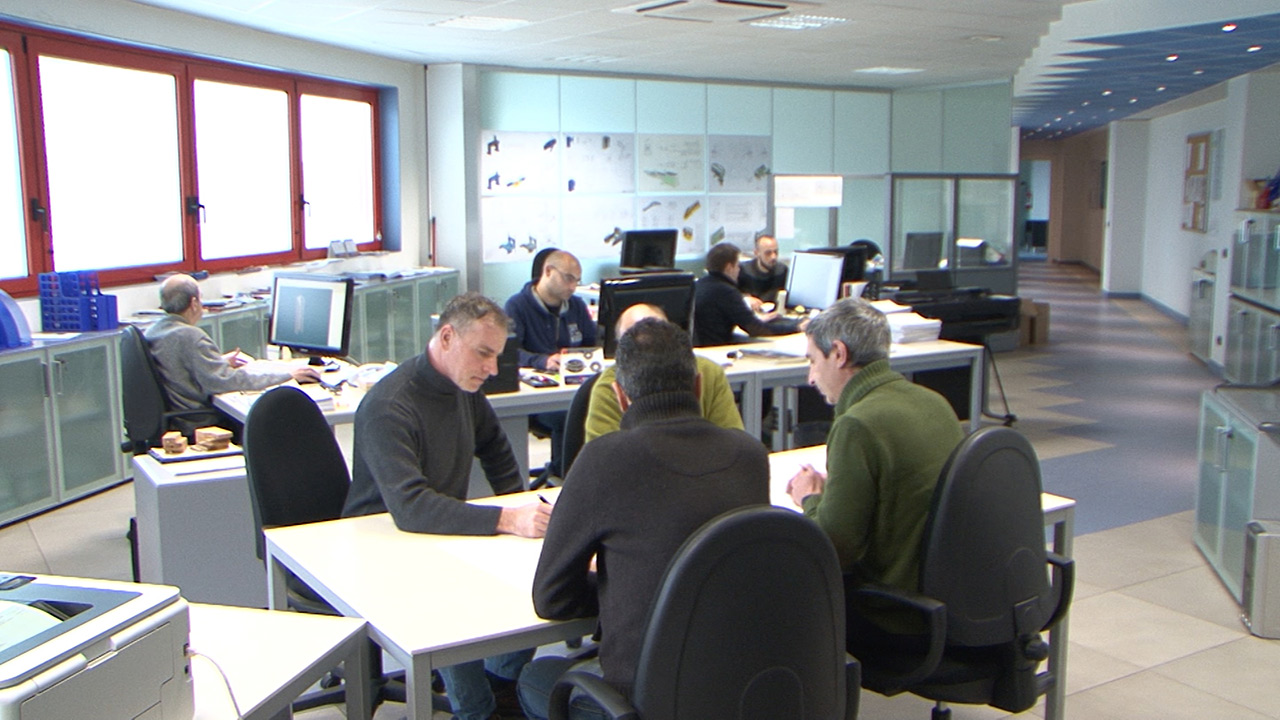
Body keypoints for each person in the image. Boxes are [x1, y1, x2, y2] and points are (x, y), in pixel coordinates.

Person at [518, 318, 769, 720]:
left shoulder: (604, 459)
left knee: (534, 677)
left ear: (620, 396)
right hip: (740, 688)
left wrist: (624, 591)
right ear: (698, 386)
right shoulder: (750, 456)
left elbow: (551, 597)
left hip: (643, 701)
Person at [342, 291, 551, 720]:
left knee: (534, 577)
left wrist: (519, 506)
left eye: (497, 356)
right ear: (447, 337)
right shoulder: (388, 406)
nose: (492, 369)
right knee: (450, 607)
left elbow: (495, 447)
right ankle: (477, 709)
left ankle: (502, 683)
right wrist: (508, 519)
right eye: (483, 353)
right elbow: (411, 507)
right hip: (385, 546)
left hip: (437, 533)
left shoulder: (463, 385)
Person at [785, 297, 964, 636]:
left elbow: (835, 547)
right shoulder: (934, 401)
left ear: (839, 353)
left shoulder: (858, 424)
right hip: (949, 597)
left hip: (894, 613)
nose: (810, 378)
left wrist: (809, 497)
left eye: (813, 361)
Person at [144, 273, 319, 436]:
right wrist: (287, 376)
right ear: (194, 303)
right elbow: (226, 382)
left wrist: (218, 362)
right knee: (271, 423)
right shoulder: (191, 336)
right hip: (201, 423)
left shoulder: (153, 331)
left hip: (177, 420)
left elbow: (179, 366)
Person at [582, 303, 742, 442]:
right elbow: (604, 458)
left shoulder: (709, 372)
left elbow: (733, 444)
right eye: (634, 343)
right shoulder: (608, 387)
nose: (649, 347)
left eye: (658, 335)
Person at [504, 249, 598, 482]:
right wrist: (542, 361)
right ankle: (565, 476)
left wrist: (582, 357)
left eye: (577, 280)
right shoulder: (517, 306)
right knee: (570, 415)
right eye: (568, 278)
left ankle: (590, 475)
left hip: (573, 386)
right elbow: (510, 352)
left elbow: (592, 343)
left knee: (596, 406)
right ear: (548, 271)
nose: (573, 287)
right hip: (538, 398)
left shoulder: (576, 306)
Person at [692, 241, 805, 347]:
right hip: (717, 348)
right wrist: (796, 326)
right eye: (737, 265)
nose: (739, 270)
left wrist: (756, 320)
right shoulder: (726, 291)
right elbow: (756, 330)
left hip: (701, 346)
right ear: (729, 268)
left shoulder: (698, 285)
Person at [737, 234, 788, 311]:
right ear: (756, 253)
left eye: (776, 252)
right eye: (768, 253)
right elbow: (729, 294)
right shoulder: (742, 270)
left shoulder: (782, 271)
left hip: (774, 313)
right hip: (749, 313)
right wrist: (746, 299)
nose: (773, 257)